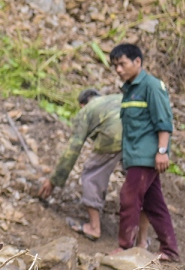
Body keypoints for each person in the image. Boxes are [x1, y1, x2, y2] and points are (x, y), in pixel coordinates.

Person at [111, 43, 177, 261]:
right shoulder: (129, 90)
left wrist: (162, 151)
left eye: (122, 64)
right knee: (153, 202)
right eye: (115, 66)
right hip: (135, 155)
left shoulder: (152, 86)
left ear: (137, 62)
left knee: (129, 197)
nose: (118, 70)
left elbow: (164, 121)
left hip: (147, 156)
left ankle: (125, 247)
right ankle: (170, 250)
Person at [39, 89, 123, 241]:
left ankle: (94, 227)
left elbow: (73, 150)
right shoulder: (113, 99)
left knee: (92, 174)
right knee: (137, 180)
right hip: (140, 135)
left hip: (114, 134)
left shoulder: (87, 111)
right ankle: (138, 234)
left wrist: (54, 181)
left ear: (82, 104)